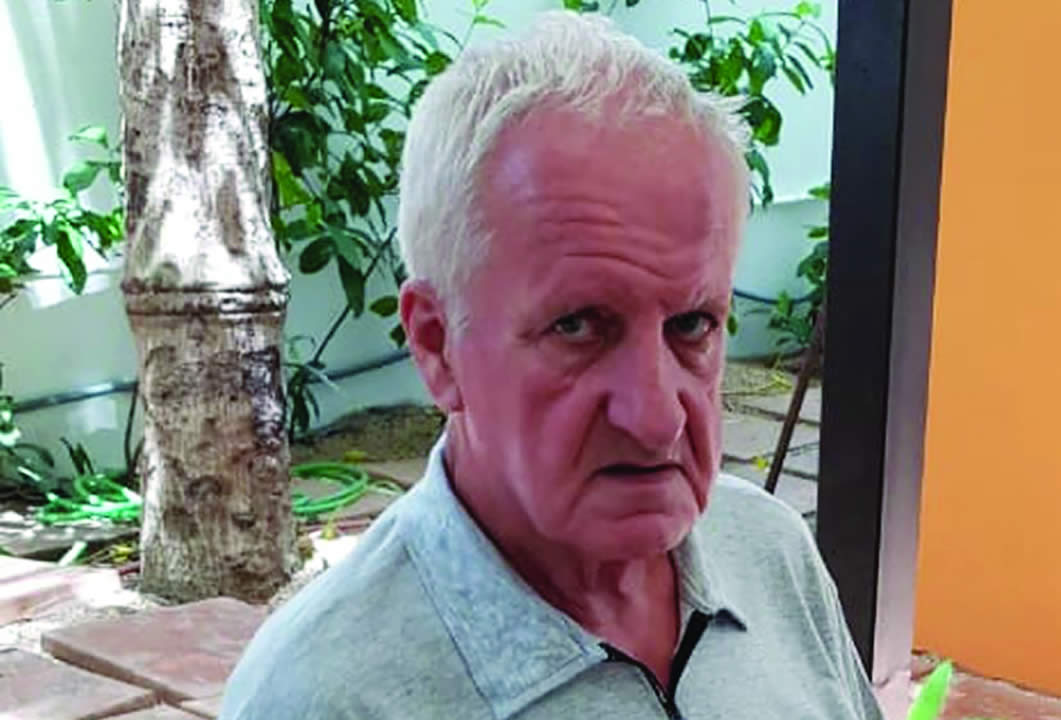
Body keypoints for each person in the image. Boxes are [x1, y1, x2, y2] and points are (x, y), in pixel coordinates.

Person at [220, 11, 883, 720]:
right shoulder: (321, 698)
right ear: (437, 345)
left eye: (692, 324)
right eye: (577, 327)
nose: (657, 418)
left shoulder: (769, 551)